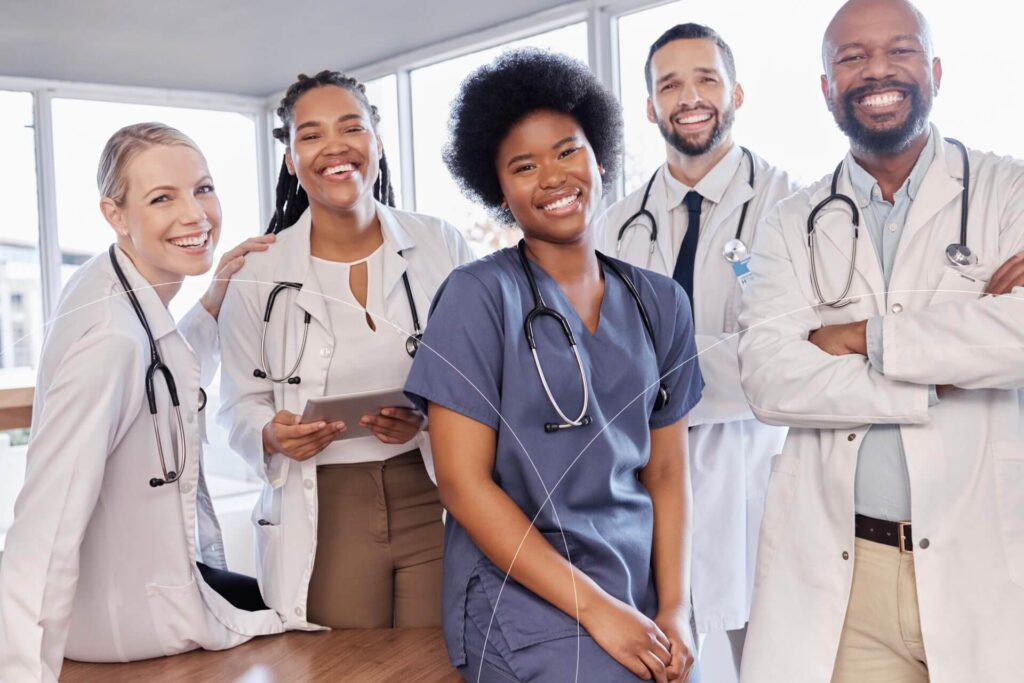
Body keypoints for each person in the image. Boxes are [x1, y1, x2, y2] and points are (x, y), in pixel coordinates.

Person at [737, 1, 1024, 681]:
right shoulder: (790, 222)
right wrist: (943, 371)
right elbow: (771, 378)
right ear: (826, 86)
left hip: (989, 555)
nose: (877, 72)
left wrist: (860, 336)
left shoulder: (1008, 190)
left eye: (900, 51)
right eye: (852, 57)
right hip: (847, 575)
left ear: (935, 70)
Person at [404, 48, 704, 682]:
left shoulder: (660, 304)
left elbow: (669, 470)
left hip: (634, 588)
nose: (552, 176)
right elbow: (463, 484)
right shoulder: (477, 297)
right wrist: (596, 610)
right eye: (523, 165)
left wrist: (675, 610)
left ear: (599, 157)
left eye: (568, 151)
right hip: (518, 596)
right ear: (499, 190)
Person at [0, 122, 283, 682]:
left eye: (202, 188)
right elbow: (44, 530)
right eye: (162, 198)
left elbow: (162, 377)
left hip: (134, 590)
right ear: (115, 213)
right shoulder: (109, 340)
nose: (195, 215)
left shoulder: (115, 285)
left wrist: (211, 302)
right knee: (301, 619)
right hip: (119, 620)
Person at [217, 70, 474, 630]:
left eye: (351, 127)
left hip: (430, 491)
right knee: (340, 665)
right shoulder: (258, 273)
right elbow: (237, 403)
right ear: (291, 160)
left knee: (439, 662)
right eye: (310, 135)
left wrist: (425, 418)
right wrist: (270, 433)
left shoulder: (441, 244)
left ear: (376, 142)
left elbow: (482, 376)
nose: (334, 147)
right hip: (323, 508)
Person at [594, 23, 797, 673]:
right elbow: (600, 358)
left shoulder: (788, 206)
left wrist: (653, 373)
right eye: (670, 84)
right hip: (646, 484)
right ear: (650, 107)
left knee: (771, 661)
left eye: (706, 78)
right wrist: (713, 358)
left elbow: (783, 356)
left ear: (735, 92)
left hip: (757, 478)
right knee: (665, 662)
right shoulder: (615, 224)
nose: (690, 97)